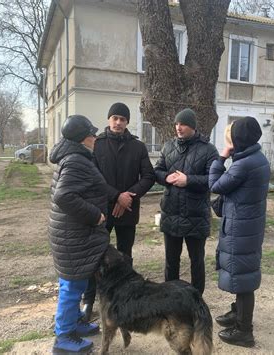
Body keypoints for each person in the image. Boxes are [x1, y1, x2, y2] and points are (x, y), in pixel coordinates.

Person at [82, 102, 155, 321]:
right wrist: (116, 196)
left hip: (128, 210)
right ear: (108, 120)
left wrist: (128, 197)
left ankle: (126, 299)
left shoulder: (138, 147)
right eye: (114, 117)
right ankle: (89, 301)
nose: (118, 122)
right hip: (102, 210)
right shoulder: (98, 145)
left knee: (125, 255)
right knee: (95, 256)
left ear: (127, 122)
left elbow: (149, 177)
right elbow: (92, 177)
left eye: (122, 119)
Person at [48, 115, 110, 353]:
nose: (95, 137)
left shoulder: (71, 156)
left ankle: (73, 323)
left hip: (71, 234)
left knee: (74, 282)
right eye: (92, 134)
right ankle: (64, 338)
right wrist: (95, 215)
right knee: (72, 287)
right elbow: (64, 196)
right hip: (74, 235)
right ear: (83, 138)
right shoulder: (76, 160)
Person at [209, 116, 270, 348]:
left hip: (242, 227)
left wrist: (222, 155)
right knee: (243, 273)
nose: (228, 142)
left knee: (243, 277)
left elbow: (214, 185)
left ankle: (245, 331)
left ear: (238, 140)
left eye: (230, 139)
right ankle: (238, 314)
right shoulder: (256, 158)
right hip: (247, 225)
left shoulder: (244, 164)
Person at [154, 108, 218, 295]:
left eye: (183, 124)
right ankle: (170, 298)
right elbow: (156, 171)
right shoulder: (168, 147)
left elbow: (214, 180)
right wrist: (167, 178)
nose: (178, 127)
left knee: (196, 260)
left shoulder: (208, 149)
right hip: (171, 213)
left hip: (195, 215)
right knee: (170, 261)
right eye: (176, 124)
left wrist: (188, 180)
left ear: (193, 127)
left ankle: (197, 299)